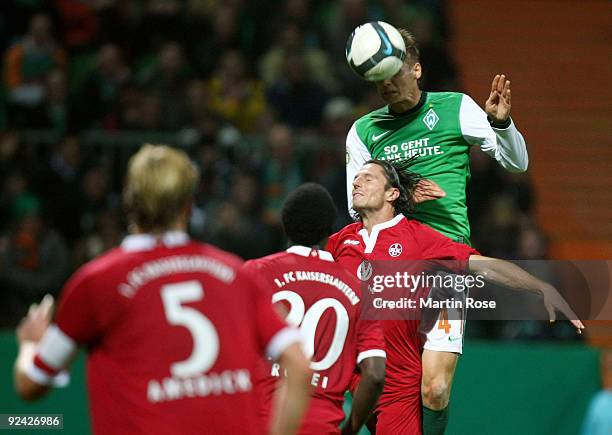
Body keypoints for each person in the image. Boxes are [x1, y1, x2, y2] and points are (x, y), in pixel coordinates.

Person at [13, 144, 311, 435]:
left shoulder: (96, 281)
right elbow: (298, 365)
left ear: (128, 201)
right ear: (189, 204)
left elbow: (31, 384)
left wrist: (30, 344)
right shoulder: (235, 273)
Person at [344, 28, 529, 434]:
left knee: (435, 389)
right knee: (391, 389)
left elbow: (517, 164)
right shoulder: (363, 132)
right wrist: (407, 198)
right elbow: (355, 207)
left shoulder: (455, 108)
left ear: (417, 68)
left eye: (393, 73)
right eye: (378, 79)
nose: (387, 85)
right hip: (391, 271)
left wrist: (502, 125)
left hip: (445, 271)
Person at [328, 159, 584, 435]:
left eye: (368, 178)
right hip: (348, 373)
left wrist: (541, 286)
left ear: (393, 194)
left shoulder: (419, 239)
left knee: (435, 390)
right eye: (356, 178)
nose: (356, 182)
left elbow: (482, 265)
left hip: (395, 381)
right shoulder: (339, 242)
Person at [244, 183, 386, 435]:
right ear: (329, 231)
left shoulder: (253, 274)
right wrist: (350, 429)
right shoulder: (359, 290)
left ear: (285, 227)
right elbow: (375, 374)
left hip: (259, 421)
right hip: (321, 426)